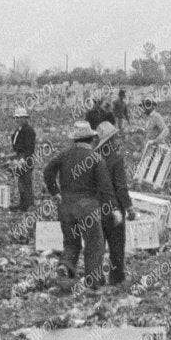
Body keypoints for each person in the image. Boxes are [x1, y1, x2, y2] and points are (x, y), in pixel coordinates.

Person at [42, 119, 118, 288]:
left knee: (71, 242)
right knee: (94, 243)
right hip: (87, 207)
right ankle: (93, 280)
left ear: (74, 139)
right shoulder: (95, 158)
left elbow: (47, 171)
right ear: (91, 139)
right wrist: (113, 208)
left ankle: (65, 265)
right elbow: (106, 187)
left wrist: (55, 192)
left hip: (66, 206)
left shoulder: (64, 155)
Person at [95, 119, 135, 286]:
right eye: (115, 138)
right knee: (116, 244)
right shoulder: (116, 159)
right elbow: (120, 187)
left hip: (96, 207)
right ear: (110, 140)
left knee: (97, 245)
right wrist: (129, 207)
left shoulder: (93, 159)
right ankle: (116, 278)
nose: (117, 140)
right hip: (114, 208)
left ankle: (96, 279)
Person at [9, 109, 37, 212]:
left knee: (26, 181)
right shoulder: (18, 130)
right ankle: (23, 204)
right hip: (19, 157)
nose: (17, 120)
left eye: (19, 118)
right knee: (21, 182)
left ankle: (29, 204)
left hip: (26, 158)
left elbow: (30, 148)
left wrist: (23, 158)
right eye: (16, 118)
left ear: (25, 118)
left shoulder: (29, 131)